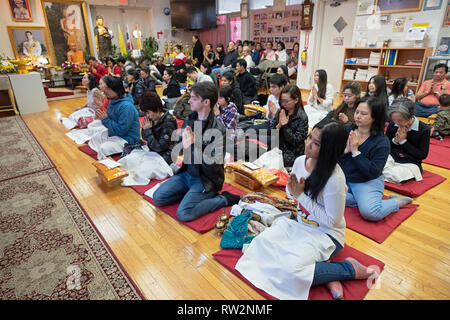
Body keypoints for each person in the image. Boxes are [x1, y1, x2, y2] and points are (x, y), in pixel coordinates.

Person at [236, 118, 379, 300]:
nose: (308, 144)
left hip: (326, 234)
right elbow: (290, 193)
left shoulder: (335, 178)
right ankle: (324, 270)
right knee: (259, 245)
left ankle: (348, 269)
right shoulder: (300, 161)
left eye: (316, 143)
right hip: (300, 223)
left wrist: (301, 195)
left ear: (328, 150)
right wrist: (294, 191)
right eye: (310, 137)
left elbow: (332, 221)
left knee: (291, 270)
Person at [152, 82, 241, 222]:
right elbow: (180, 147)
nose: (189, 101)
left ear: (206, 102)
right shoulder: (190, 119)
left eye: (193, 98)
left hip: (206, 180)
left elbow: (213, 166)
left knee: (184, 213)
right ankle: (191, 195)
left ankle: (224, 199)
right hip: (188, 173)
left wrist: (193, 146)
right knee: (158, 197)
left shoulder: (218, 129)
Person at [339, 96, 413, 222]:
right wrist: (345, 151)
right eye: (357, 112)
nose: (358, 116)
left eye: (363, 114)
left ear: (375, 117)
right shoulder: (346, 130)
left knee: (371, 213)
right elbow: (331, 158)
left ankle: (396, 201)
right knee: (318, 192)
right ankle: (358, 199)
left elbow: (372, 172)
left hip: (366, 181)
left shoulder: (381, 142)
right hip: (344, 178)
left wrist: (355, 151)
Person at [91, 76, 140, 159]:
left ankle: (109, 166)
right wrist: (104, 118)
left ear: (116, 89)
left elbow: (122, 131)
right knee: (95, 137)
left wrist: (105, 119)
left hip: (128, 139)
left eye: (107, 89)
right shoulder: (112, 101)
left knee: (103, 148)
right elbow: (111, 121)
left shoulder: (126, 107)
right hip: (116, 134)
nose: (105, 91)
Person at [385, 98, 430, 181]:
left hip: (410, 163)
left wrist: (403, 142)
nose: (396, 123)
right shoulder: (392, 125)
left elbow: (422, 155)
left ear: (410, 116)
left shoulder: (423, 129)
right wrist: (395, 140)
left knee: (395, 175)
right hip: (391, 158)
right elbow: (385, 146)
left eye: (400, 120)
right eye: (394, 120)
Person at [270, 84, 309, 168]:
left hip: (293, 153)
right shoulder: (282, 111)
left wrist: (285, 126)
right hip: (278, 146)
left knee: (273, 163)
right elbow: (272, 132)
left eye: (286, 101)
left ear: (296, 100)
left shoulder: (302, 117)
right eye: (281, 101)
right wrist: (279, 125)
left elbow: (295, 141)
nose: (283, 104)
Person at [140, 91, 178, 165]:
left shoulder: (168, 122)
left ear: (156, 108)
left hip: (166, 156)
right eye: (146, 113)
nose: (147, 115)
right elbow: (144, 137)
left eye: (148, 112)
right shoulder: (151, 119)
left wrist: (148, 131)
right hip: (153, 151)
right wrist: (146, 130)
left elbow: (160, 147)